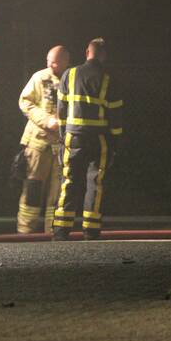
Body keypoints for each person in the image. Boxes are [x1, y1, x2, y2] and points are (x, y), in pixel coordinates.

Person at [52, 38, 124, 240]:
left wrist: (63, 134)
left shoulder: (70, 73)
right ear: (103, 55)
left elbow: (62, 109)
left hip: (73, 136)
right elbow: (115, 114)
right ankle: (91, 230)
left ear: (87, 52)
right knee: (96, 181)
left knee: (69, 180)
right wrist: (115, 141)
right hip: (99, 139)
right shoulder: (109, 78)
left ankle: (60, 230)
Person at [16, 45, 70, 233]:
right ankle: (25, 231)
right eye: (48, 60)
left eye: (54, 61)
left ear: (65, 61)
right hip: (37, 144)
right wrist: (46, 120)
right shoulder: (40, 78)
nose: (50, 64)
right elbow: (25, 102)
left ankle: (52, 230)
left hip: (60, 145)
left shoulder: (70, 79)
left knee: (57, 192)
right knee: (32, 188)